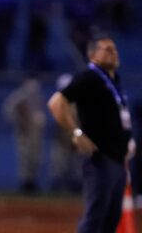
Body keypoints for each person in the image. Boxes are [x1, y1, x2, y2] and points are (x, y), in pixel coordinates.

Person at [48, 35, 134, 232]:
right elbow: (56, 102)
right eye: (106, 49)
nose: (113, 52)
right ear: (92, 55)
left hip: (118, 159)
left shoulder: (115, 81)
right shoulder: (90, 77)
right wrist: (77, 133)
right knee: (95, 219)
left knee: (110, 220)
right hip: (101, 159)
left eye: (114, 49)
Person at [2, 78, 45, 193]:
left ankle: (32, 181)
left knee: (35, 156)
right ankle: (25, 182)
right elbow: (8, 110)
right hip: (23, 131)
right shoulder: (18, 96)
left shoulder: (37, 97)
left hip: (34, 131)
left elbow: (39, 114)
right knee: (24, 156)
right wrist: (19, 120)